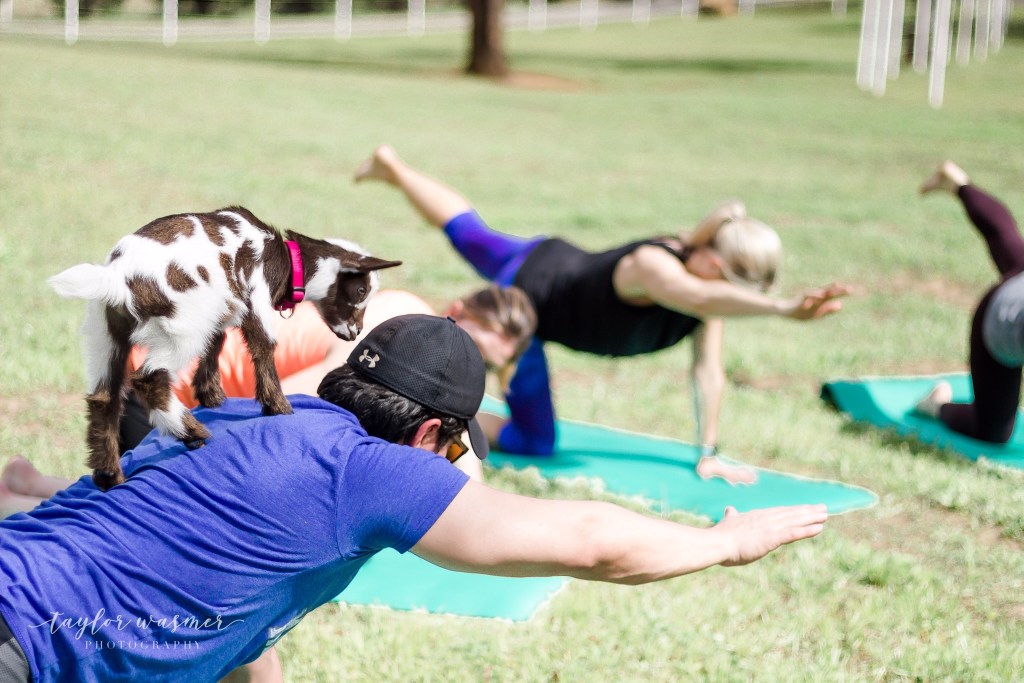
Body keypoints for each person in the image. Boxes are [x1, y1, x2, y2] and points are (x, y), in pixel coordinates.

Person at [0, 314, 828, 682]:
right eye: (458, 447)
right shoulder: (374, 470)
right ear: (433, 434)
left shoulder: (250, 413)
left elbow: (240, 599)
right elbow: (587, 538)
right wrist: (725, 543)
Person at [355, 145, 850, 485]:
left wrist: (709, 452)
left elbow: (708, 372)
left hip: (551, 258)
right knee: (535, 440)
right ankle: (428, 411)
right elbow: (695, 298)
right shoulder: (655, 265)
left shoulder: (709, 298)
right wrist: (785, 310)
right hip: (530, 303)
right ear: (717, 267)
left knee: (470, 232)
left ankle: (392, 166)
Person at [120, 284, 537, 481]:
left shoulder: (421, 350)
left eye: (487, 365)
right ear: (456, 309)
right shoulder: (399, 317)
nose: (473, 365)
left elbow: (458, 427)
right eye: (475, 350)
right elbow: (287, 400)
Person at [915, 161, 1024, 443]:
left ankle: (958, 183)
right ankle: (936, 404)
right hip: (998, 318)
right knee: (992, 431)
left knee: (1007, 241)